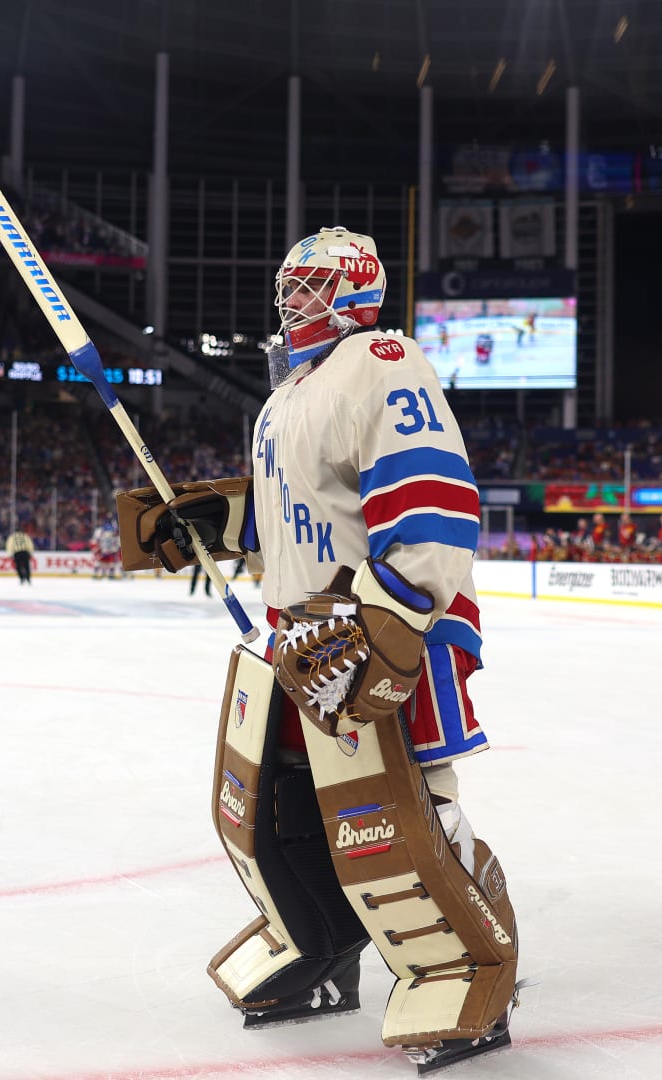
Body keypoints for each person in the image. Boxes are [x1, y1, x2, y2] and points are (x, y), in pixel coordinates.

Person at [117, 227, 519, 1071]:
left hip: (381, 630)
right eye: (289, 286)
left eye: (310, 286)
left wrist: (393, 621)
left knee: (409, 804)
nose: (290, 300)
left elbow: (432, 499)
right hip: (304, 641)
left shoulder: (381, 361)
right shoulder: (284, 396)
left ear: (354, 292)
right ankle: (323, 947)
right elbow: (291, 519)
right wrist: (213, 522)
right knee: (286, 808)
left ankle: (469, 963)